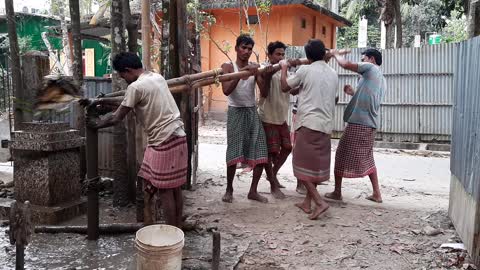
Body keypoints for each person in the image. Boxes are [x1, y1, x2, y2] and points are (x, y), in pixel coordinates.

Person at [82, 52, 187, 228]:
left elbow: (117, 117)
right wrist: (101, 101)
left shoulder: (136, 87)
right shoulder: (156, 77)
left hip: (163, 140)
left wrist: (96, 124)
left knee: (165, 191)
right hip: (178, 136)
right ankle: (177, 231)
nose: (124, 80)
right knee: (175, 188)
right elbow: (129, 101)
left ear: (128, 70)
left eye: (123, 76)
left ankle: (171, 233)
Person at [279, 39, 338, 220]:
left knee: (300, 165)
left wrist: (283, 68)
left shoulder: (305, 70)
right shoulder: (333, 73)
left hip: (308, 124)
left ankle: (319, 202)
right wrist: (303, 91)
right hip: (326, 125)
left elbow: (283, 87)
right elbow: (332, 98)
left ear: (308, 56)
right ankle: (307, 202)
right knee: (314, 166)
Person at [220, 34, 279, 203]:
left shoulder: (255, 67)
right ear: (237, 48)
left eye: (249, 49)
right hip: (235, 112)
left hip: (252, 112)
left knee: (261, 151)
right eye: (243, 47)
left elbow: (265, 92)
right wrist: (242, 74)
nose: (246, 51)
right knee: (233, 152)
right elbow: (226, 91)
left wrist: (263, 75)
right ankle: (229, 189)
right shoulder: (228, 66)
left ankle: (253, 191)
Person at [325, 48, 386, 203]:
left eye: (364, 58)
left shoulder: (371, 68)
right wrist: (354, 93)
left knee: (341, 154)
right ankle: (376, 193)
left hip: (359, 122)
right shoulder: (381, 79)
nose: (362, 61)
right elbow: (369, 98)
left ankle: (337, 192)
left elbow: (346, 65)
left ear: (371, 59)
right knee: (367, 157)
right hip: (370, 123)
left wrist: (335, 54)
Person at [257, 41, 293, 199]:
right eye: (278, 54)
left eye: (283, 54)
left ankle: (273, 174)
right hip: (267, 117)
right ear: (269, 55)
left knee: (287, 147)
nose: (281, 57)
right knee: (270, 153)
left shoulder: (284, 71)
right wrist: (270, 74)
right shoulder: (262, 69)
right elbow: (263, 93)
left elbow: (291, 89)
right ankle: (272, 184)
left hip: (281, 117)